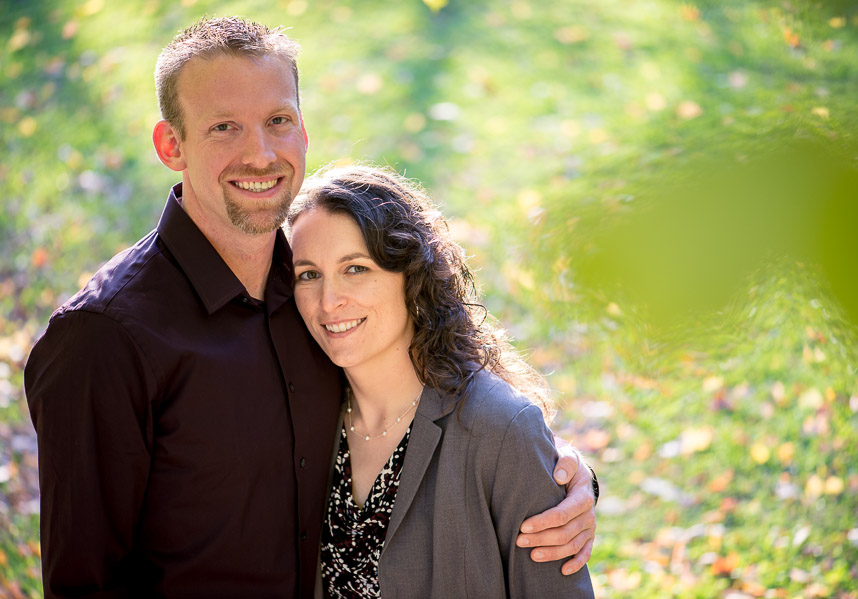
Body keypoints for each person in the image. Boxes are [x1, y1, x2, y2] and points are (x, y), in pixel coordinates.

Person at [23, 16, 597, 598]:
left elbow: (436, 394)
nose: (260, 153)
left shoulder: (312, 296)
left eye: (278, 121)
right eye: (224, 127)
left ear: (303, 131)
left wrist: (554, 474)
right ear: (172, 145)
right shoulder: (103, 339)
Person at [286, 164, 595, 598]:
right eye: (308, 274)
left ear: (410, 273)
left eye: (355, 268)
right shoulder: (303, 419)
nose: (329, 301)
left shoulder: (500, 431)